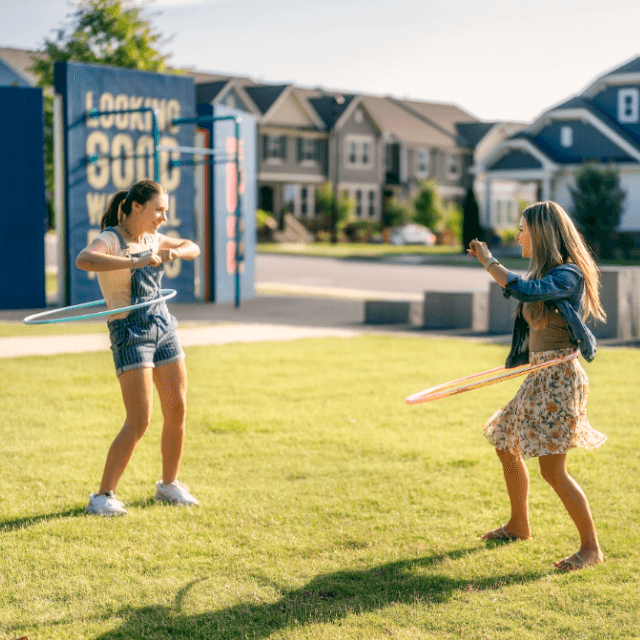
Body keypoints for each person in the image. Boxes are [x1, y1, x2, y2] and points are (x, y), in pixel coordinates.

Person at [467, 201, 607, 571]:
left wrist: (489, 262)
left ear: (540, 233)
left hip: (559, 380)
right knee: (504, 442)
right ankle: (518, 524)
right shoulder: (546, 275)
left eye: (522, 228)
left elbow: (528, 292)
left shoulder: (567, 274)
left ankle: (591, 549)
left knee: (552, 469)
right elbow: (529, 300)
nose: (517, 235)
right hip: (540, 376)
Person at [76, 179, 201, 516]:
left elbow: (194, 247)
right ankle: (102, 496)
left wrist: (173, 251)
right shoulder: (111, 239)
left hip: (163, 326)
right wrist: (135, 260)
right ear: (136, 207)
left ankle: (169, 485)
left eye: (166, 211)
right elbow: (85, 260)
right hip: (130, 330)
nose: (163, 217)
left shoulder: (153, 237)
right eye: (158, 210)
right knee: (139, 420)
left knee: (177, 408)